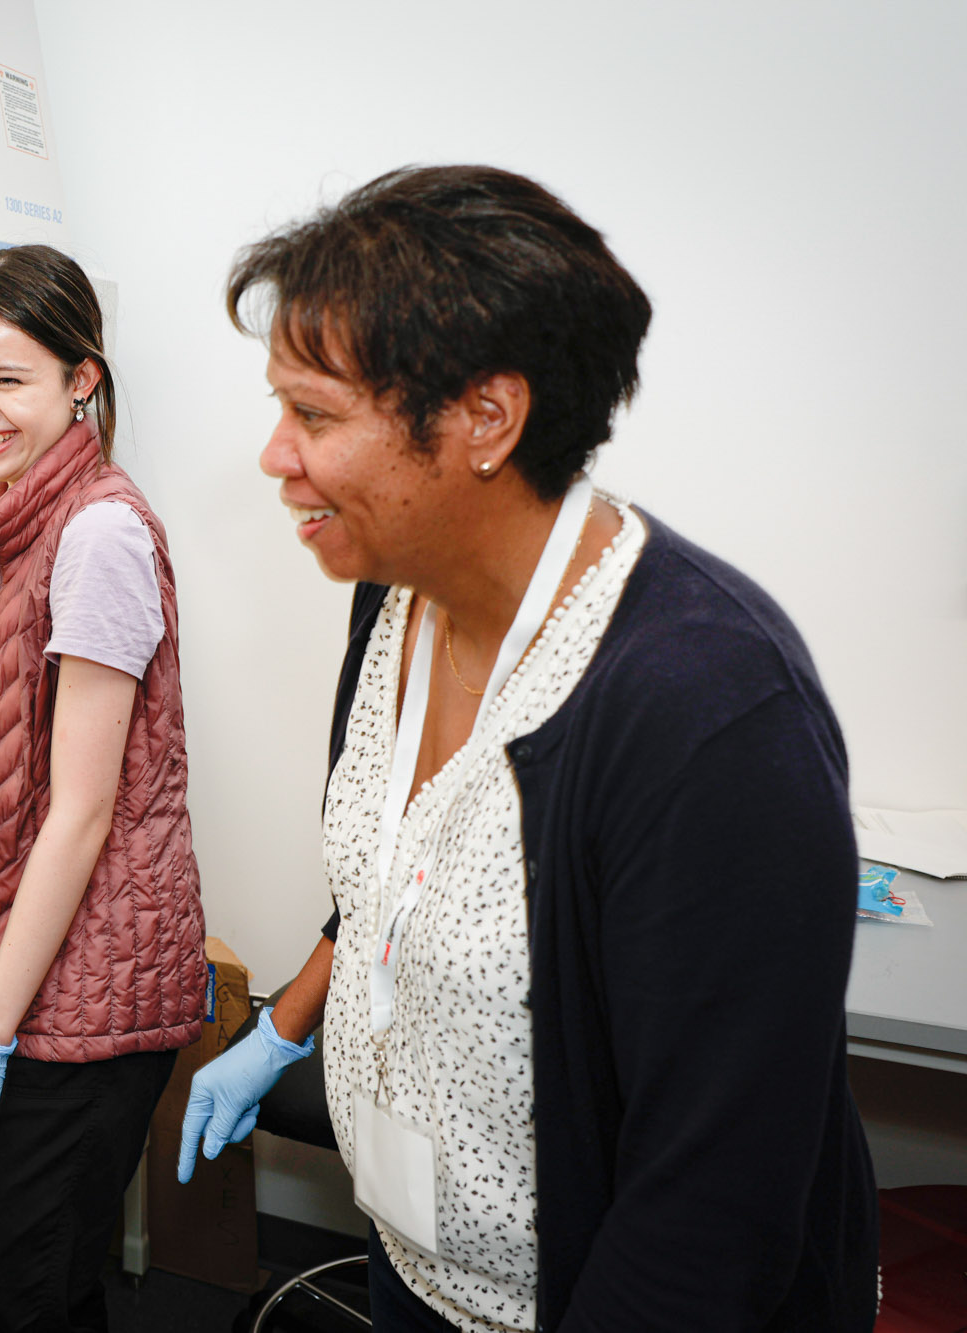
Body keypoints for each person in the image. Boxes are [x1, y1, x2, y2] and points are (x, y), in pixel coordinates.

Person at [177, 166, 877, 1331]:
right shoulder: (392, 596)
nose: (272, 456)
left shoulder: (702, 710)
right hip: (408, 1262)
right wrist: (286, 1026)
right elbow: (398, 874)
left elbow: (711, 1207)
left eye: (311, 414)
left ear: (484, 420)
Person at [0, 243, 207, 1330]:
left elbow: (80, 812)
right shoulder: (25, 521)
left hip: (85, 1000)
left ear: (82, 378)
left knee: (6, 1301)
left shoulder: (98, 535)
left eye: (6, 379)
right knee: (32, 1293)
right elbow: (39, 736)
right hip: (49, 980)